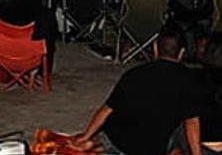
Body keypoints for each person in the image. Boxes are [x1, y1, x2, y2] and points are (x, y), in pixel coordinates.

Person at [75, 26, 202, 155]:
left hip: (118, 140)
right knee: (180, 131)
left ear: (155, 48)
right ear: (181, 53)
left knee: (113, 129)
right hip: (151, 148)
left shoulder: (134, 74)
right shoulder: (189, 80)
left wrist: (86, 135)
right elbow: (192, 123)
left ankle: (98, 144)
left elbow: (106, 110)